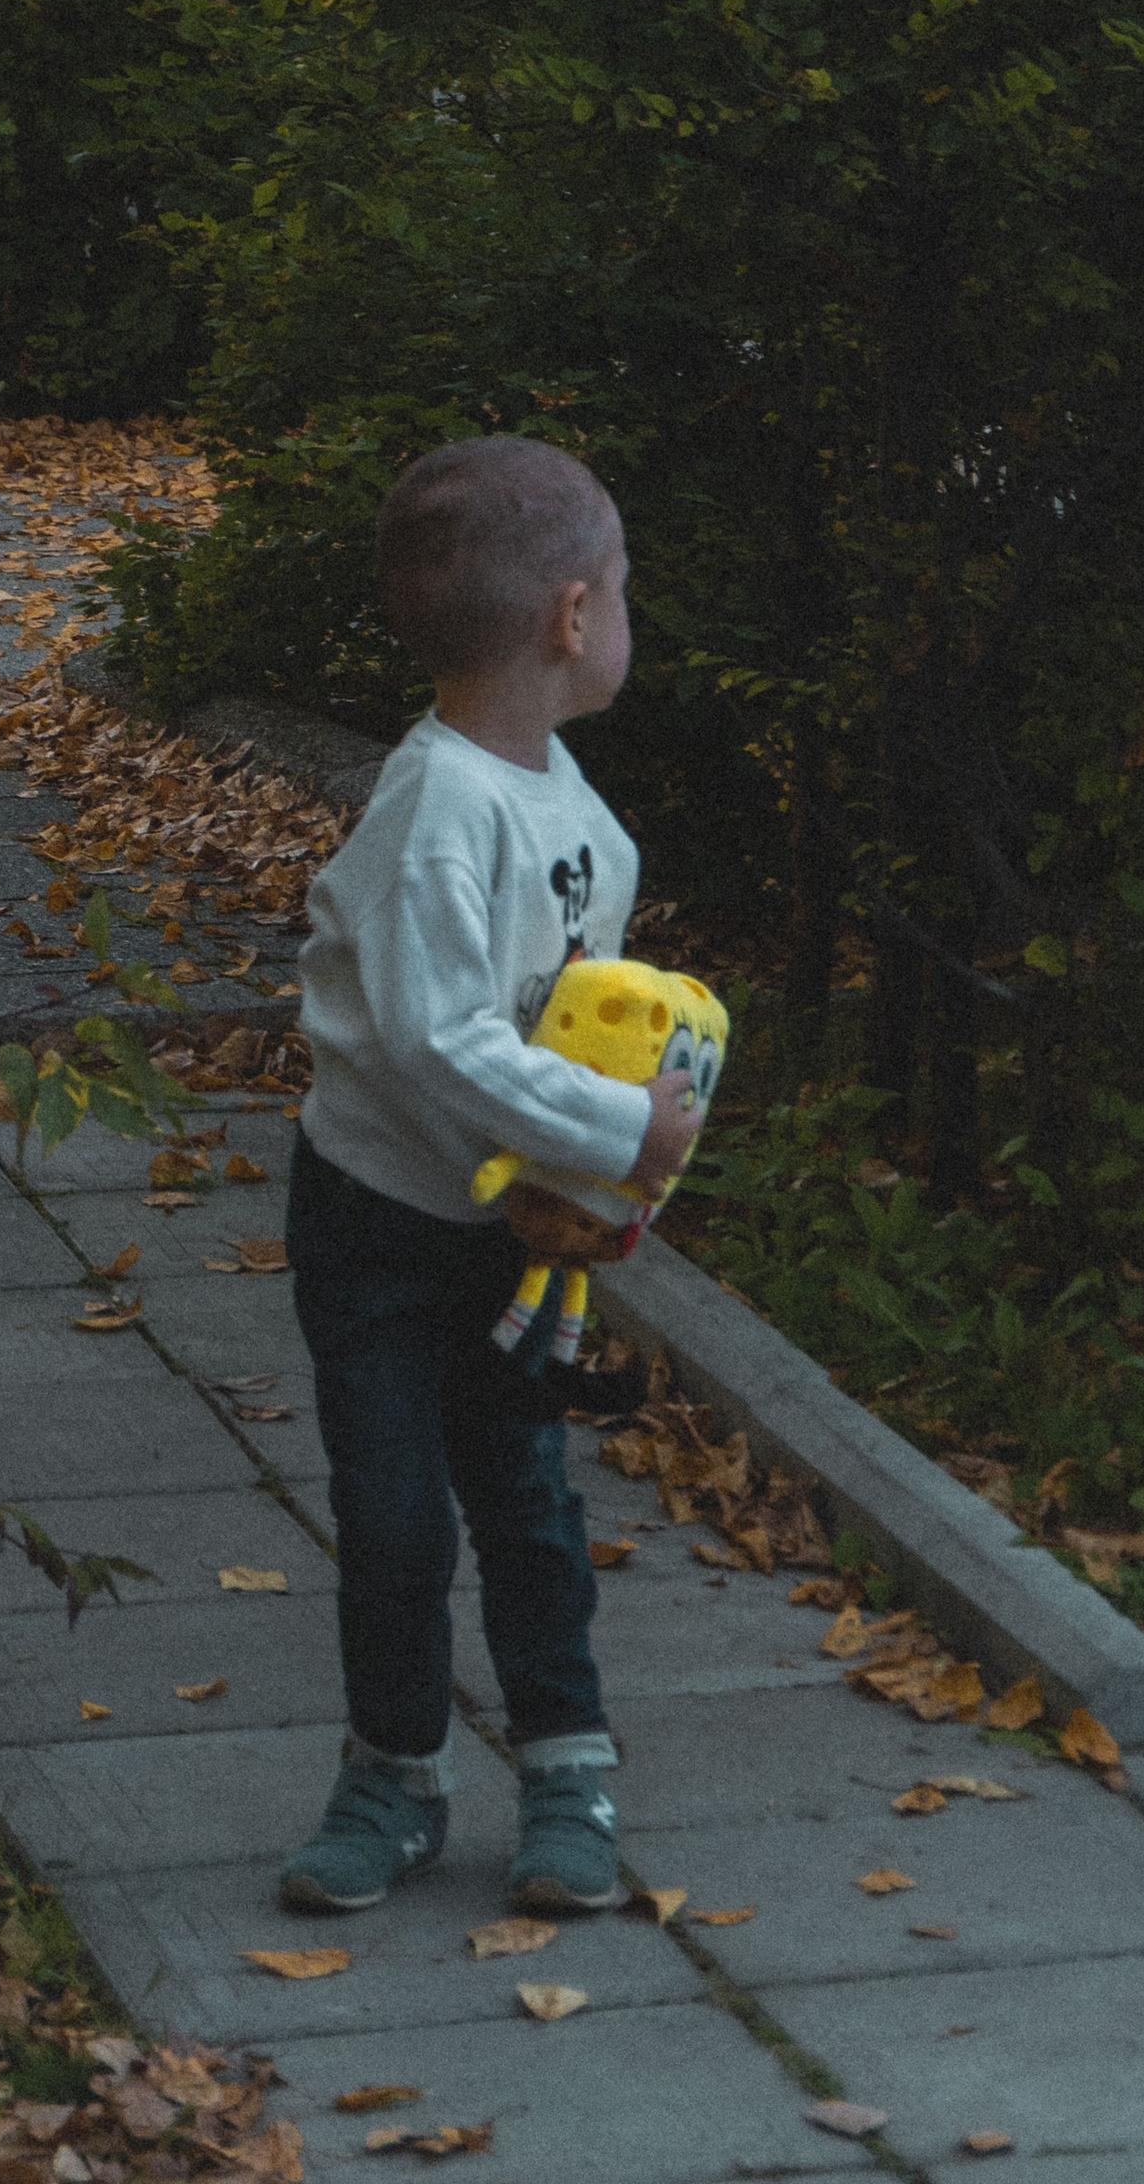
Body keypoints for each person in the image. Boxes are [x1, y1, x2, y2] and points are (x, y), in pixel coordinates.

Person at [278, 436, 695, 1919]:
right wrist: (615, 1133)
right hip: (379, 1231)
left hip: (509, 1234)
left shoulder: (573, 813)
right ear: (573, 617)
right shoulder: (434, 816)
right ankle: (392, 1774)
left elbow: (577, 1014)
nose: (635, 615)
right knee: (394, 1513)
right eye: (629, 588)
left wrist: (598, 1194)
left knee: (525, 1496)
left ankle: (569, 1767)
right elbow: (442, 1043)